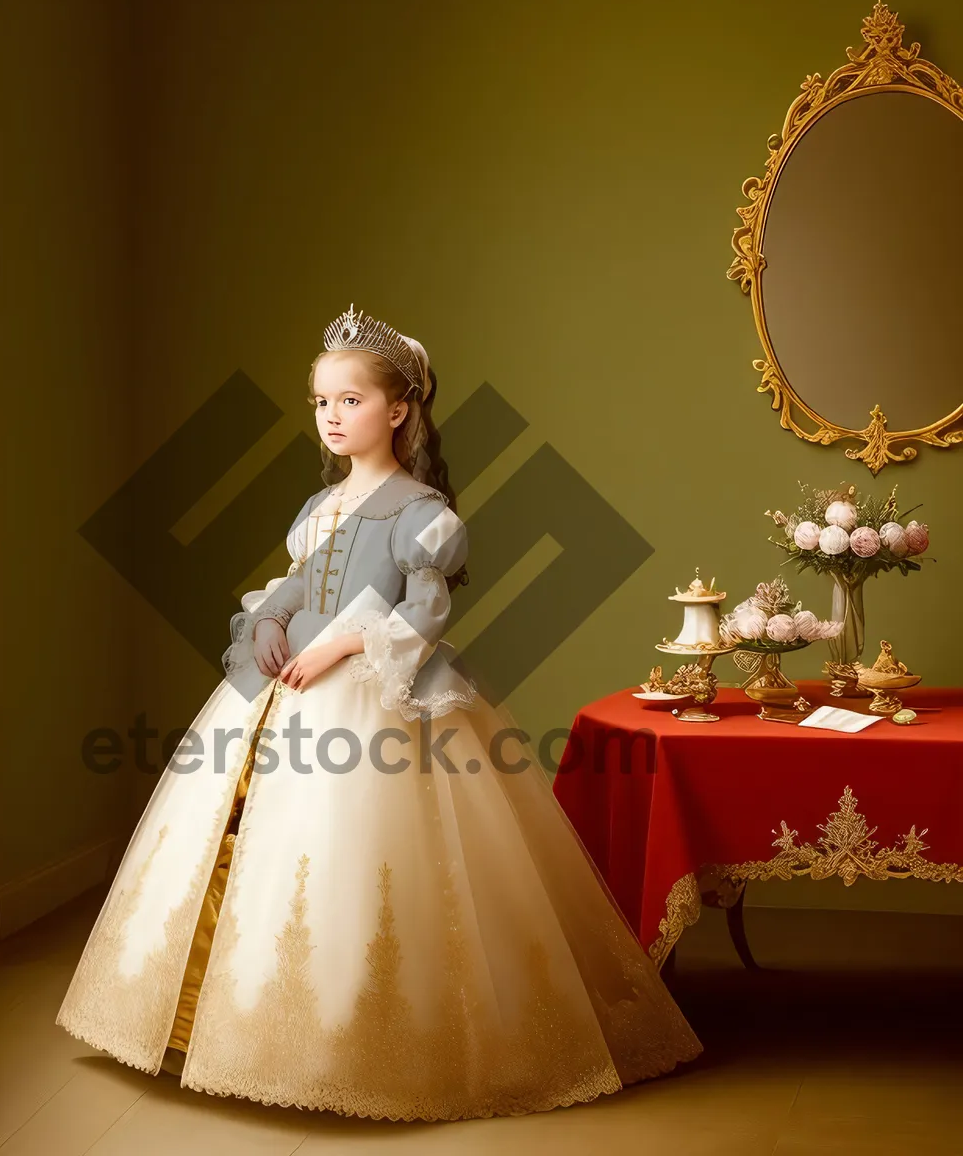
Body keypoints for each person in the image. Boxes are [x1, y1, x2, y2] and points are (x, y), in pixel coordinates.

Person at [56, 305, 701, 1121]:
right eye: (322, 402)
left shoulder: (421, 513)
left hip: (373, 700)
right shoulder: (316, 509)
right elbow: (292, 587)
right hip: (286, 689)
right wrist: (268, 622)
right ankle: (213, 1031)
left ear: (399, 410)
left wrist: (341, 647)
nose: (332, 416)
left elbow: (427, 615)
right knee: (243, 840)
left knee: (361, 855)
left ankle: (365, 1048)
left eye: (351, 401)